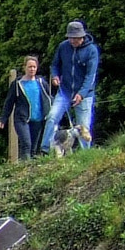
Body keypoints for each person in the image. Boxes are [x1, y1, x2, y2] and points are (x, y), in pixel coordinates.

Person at [42, 20, 100, 154]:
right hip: (65, 91)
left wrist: (82, 93)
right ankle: (45, 149)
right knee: (52, 117)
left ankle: (86, 155)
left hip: (85, 95)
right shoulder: (63, 47)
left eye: (76, 38)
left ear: (82, 36)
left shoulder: (91, 51)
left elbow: (90, 76)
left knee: (83, 125)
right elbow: (55, 65)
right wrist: (55, 76)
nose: (73, 41)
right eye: (71, 38)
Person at [0, 55, 48, 160]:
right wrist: (4, 118)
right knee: (26, 144)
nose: (32, 69)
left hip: (37, 118)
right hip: (22, 119)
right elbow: (9, 102)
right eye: (30, 67)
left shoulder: (41, 82)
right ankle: (23, 168)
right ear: (24, 67)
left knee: (34, 149)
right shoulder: (17, 84)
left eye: (34, 67)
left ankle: (32, 171)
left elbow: (48, 98)